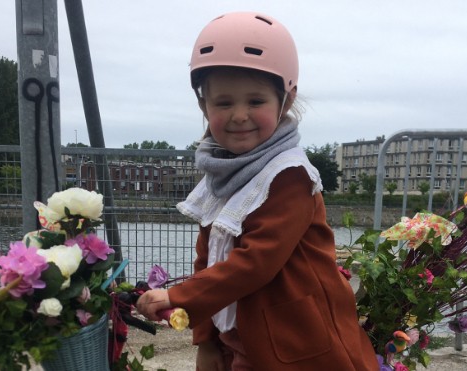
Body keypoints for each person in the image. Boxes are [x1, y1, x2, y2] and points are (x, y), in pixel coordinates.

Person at [136, 11, 378, 371]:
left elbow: (255, 263)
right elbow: (207, 258)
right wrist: (205, 339)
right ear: (204, 106)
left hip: (297, 342)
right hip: (240, 336)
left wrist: (177, 297)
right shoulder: (222, 174)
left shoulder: (289, 175)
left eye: (255, 101)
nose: (238, 115)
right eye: (223, 103)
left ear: (286, 101)